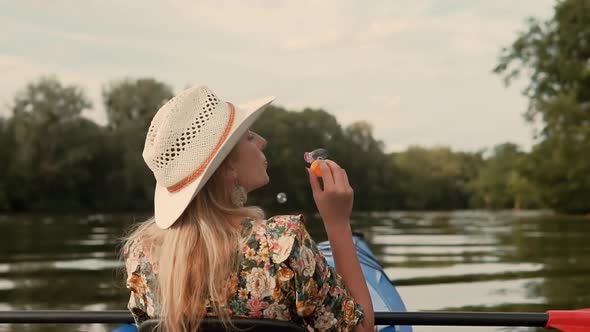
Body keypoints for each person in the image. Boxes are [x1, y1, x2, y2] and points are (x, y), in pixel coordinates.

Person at [121, 85, 375, 332]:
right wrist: (337, 223)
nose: (263, 141)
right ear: (228, 165)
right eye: (249, 137)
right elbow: (361, 329)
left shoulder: (142, 254)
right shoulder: (282, 244)